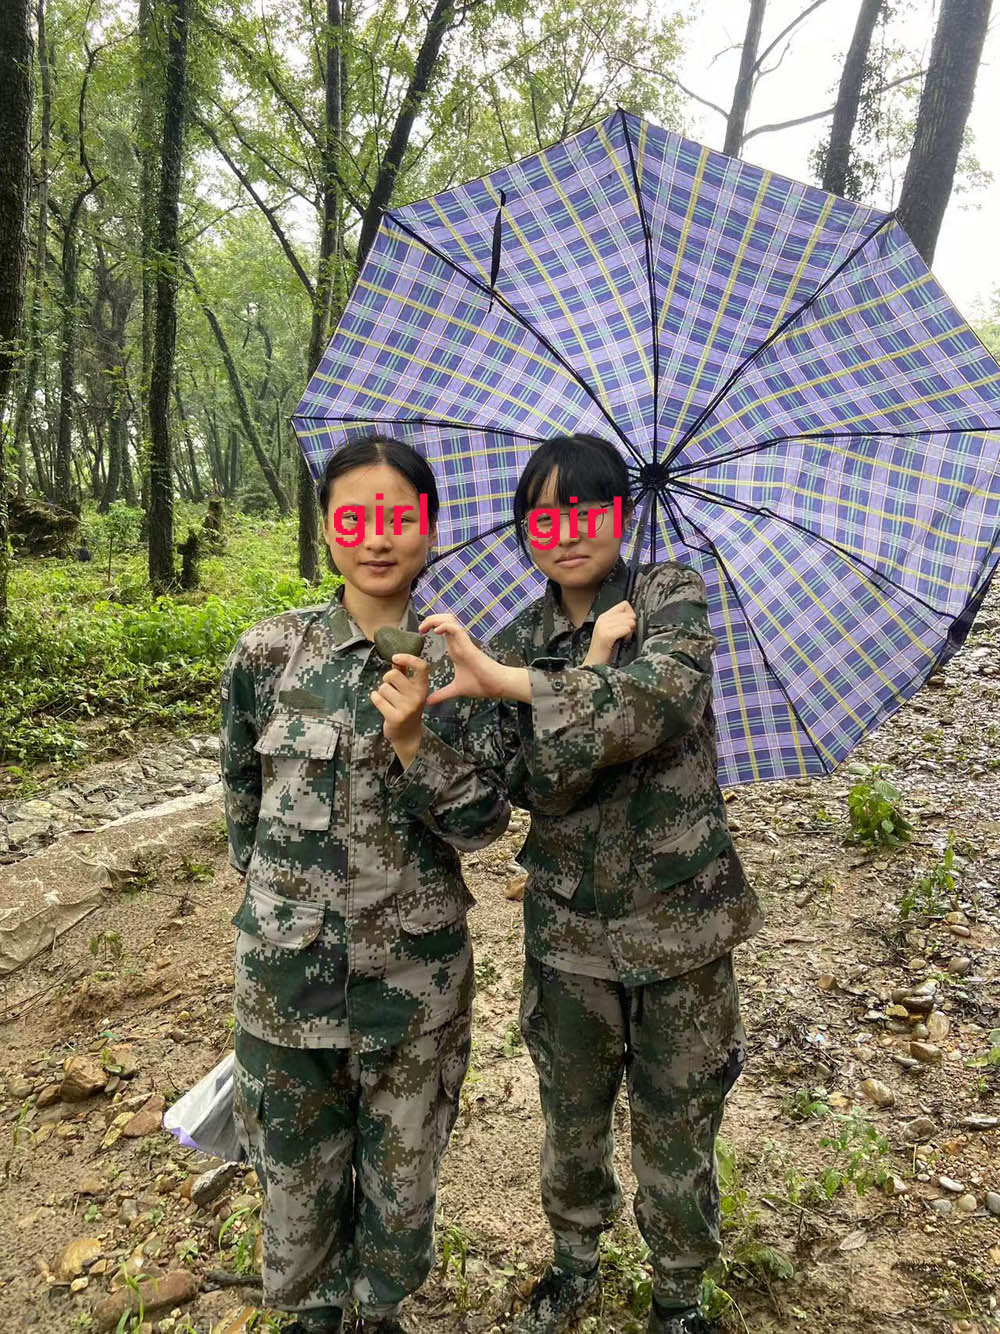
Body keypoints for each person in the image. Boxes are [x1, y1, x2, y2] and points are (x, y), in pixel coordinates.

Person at [419, 433, 764, 1334]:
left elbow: (665, 704)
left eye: (587, 510)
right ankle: (572, 1265)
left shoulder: (668, 596)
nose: (566, 532)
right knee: (571, 1120)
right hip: (568, 932)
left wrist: (522, 687)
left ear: (624, 512)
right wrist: (428, 733)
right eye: (544, 517)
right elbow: (529, 788)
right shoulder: (512, 642)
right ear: (522, 530)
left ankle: (678, 1295)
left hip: (684, 924)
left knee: (678, 1122)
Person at [219, 436, 510, 1334]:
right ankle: (312, 1314)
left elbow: (485, 823)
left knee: (402, 1180)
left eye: (398, 518)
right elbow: (242, 801)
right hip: (287, 983)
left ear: (431, 530)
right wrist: (281, 913)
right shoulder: (269, 654)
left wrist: (417, 744)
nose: (376, 537)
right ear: (327, 528)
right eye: (354, 518)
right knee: (295, 1181)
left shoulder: (466, 663)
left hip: (414, 985)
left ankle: (380, 1313)